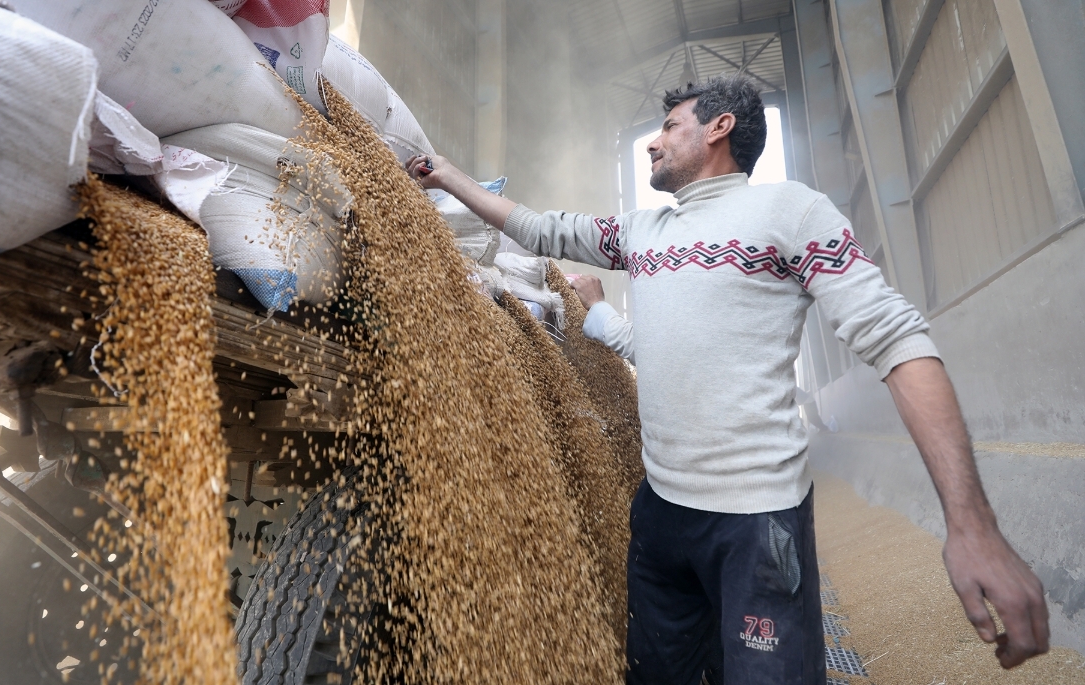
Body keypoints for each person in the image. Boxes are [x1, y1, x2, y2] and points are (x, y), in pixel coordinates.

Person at [406, 74, 1049, 684]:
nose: (653, 141)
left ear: (719, 126)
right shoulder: (643, 232)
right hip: (660, 520)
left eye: (667, 126)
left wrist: (971, 525)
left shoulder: (791, 213)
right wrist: (447, 176)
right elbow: (539, 227)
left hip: (756, 525)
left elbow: (897, 343)